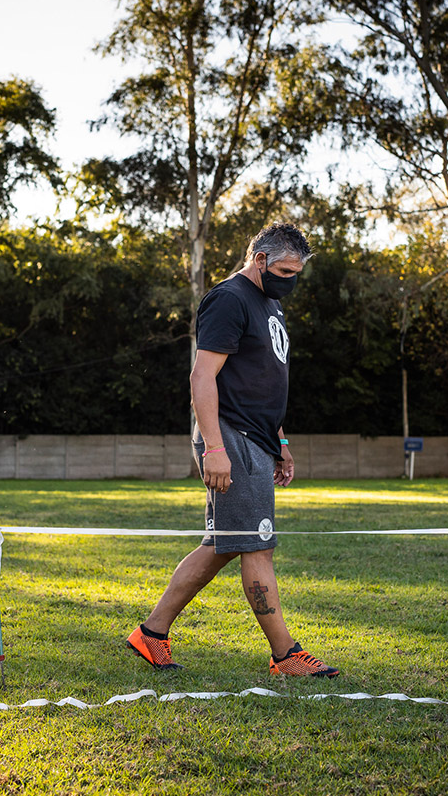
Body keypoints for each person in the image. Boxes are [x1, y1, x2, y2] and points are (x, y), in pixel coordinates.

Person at [125, 222, 339, 678]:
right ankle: (285, 655)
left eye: (297, 273)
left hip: (257, 439)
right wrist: (215, 448)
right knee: (258, 545)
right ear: (260, 260)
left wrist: (280, 441)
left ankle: (151, 633)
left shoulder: (271, 304)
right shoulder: (229, 298)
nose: (291, 281)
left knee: (221, 545)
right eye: (285, 271)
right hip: (231, 438)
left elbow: (263, 382)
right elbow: (202, 377)